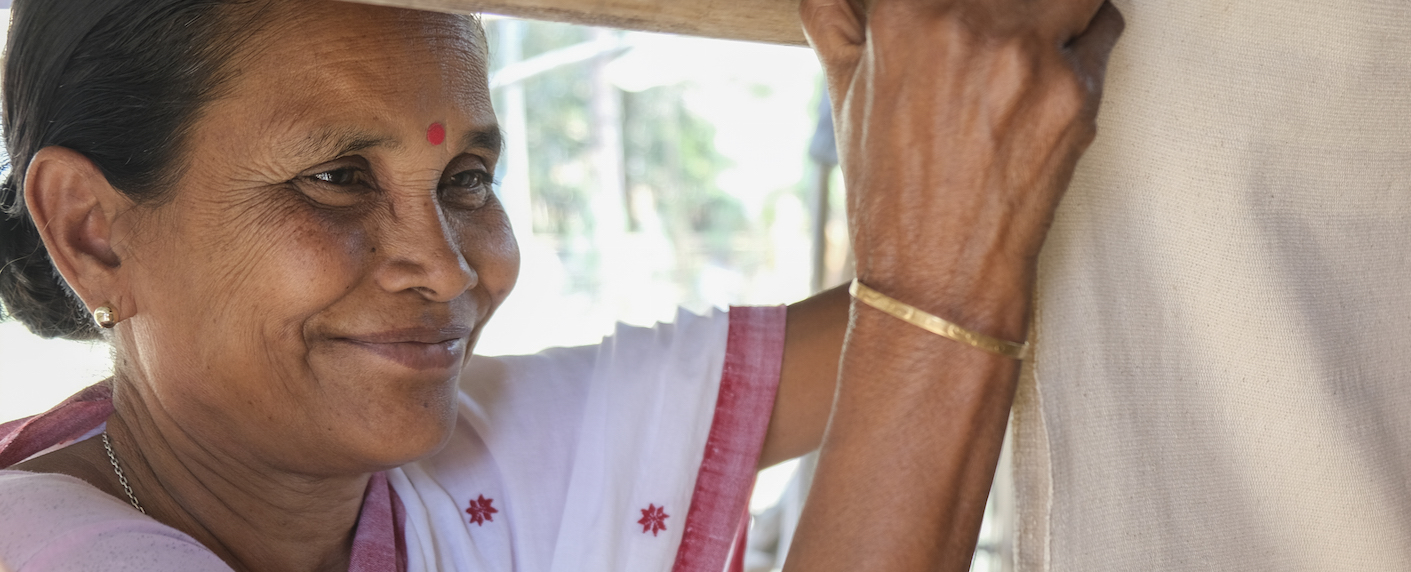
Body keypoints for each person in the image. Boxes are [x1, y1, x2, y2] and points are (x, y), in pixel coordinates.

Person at [0, 0, 1121, 569]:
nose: (444, 264)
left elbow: (901, 331)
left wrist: (901, 112)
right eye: (337, 178)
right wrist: (933, 258)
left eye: (468, 175)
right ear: (94, 231)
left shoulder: (461, 460)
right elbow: (935, 310)